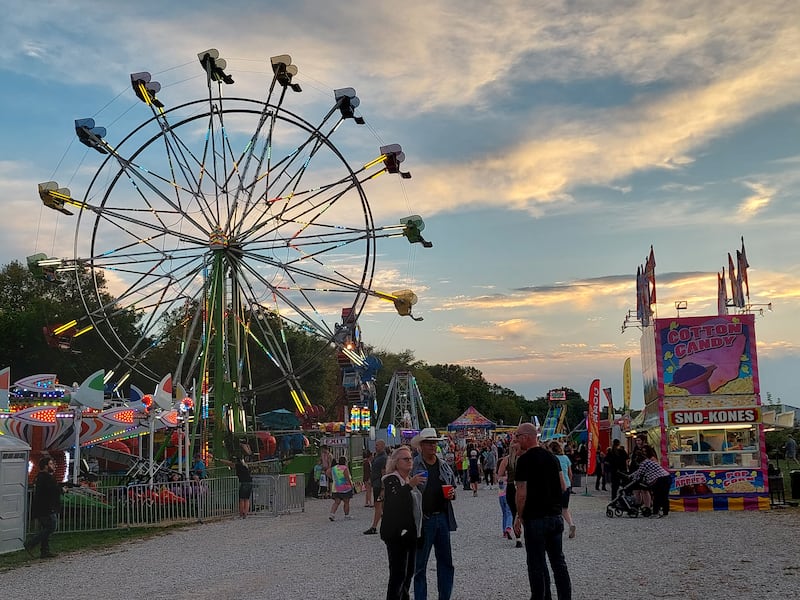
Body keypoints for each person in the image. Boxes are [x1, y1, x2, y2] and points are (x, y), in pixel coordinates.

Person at [513, 423, 572, 600]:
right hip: (555, 517)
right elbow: (563, 486)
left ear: (526, 437)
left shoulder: (524, 461)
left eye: (517, 436)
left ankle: (540, 596)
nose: (516, 440)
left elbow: (521, 493)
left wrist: (519, 516)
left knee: (536, 564)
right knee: (558, 562)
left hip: (535, 517)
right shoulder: (552, 458)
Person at [411, 427, 458, 600]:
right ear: (421, 446)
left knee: (446, 562)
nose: (432, 446)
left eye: (434, 443)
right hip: (424, 519)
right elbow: (406, 491)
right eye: (429, 443)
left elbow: (453, 487)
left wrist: (452, 493)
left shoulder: (443, 465)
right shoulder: (414, 465)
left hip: (443, 517)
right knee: (420, 565)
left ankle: (444, 596)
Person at [380, 445, 425, 600]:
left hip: (411, 533)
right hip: (396, 533)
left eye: (410, 458)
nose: (409, 461)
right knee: (398, 574)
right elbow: (394, 500)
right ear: (396, 462)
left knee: (408, 573)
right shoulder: (391, 479)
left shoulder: (408, 479)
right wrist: (410, 485)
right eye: (405, 459)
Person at [25, 456, 63, 559]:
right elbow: (52, 490)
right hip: (46, 507)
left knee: (46, 528)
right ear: (46, 466)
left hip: (42, 507)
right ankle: (31, 543)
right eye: (51, 464)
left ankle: (45, 551)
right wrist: (62, 490)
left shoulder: (41, 477)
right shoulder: (46, 477)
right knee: (51, 527)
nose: (53, 466)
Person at [628, 446, 672, 517]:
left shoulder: (643, 464)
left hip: (659, 480)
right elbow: (639, 471)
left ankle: (655, 513)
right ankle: (665, 512)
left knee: (657, 497)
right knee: (664, 497)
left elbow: (639, 473)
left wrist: (630, 477)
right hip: (667, 476)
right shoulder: (648, 461)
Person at [550, 441, 576, 539]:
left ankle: (557, 528)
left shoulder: (552, 459)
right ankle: (571, 524)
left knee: (555, 509)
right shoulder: (566, 458)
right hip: (567, 485)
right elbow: (570, 473)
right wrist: (569, 483)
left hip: (556, 487)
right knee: (565, 508)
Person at [365, 439, 388, 535]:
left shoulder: (383, 458)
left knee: (378, 504)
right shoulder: (377, 456)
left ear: (382, 446)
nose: (375, 447)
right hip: (376, 483)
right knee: (381, 505)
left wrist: (383, 488)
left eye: (377, 445)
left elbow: (384, 473)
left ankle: (374, 526)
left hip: (379, 485)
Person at [329, 455, 355, 521]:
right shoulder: (345, 468)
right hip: (345, 488)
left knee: (336, 502)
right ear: (345, 461)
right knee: (346, 502)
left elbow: (327, 472)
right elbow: (347, 478)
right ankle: (346, 515)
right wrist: (351, 485)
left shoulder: (334, 468)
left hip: (336, 488)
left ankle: (332, 514)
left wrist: (333, 479)